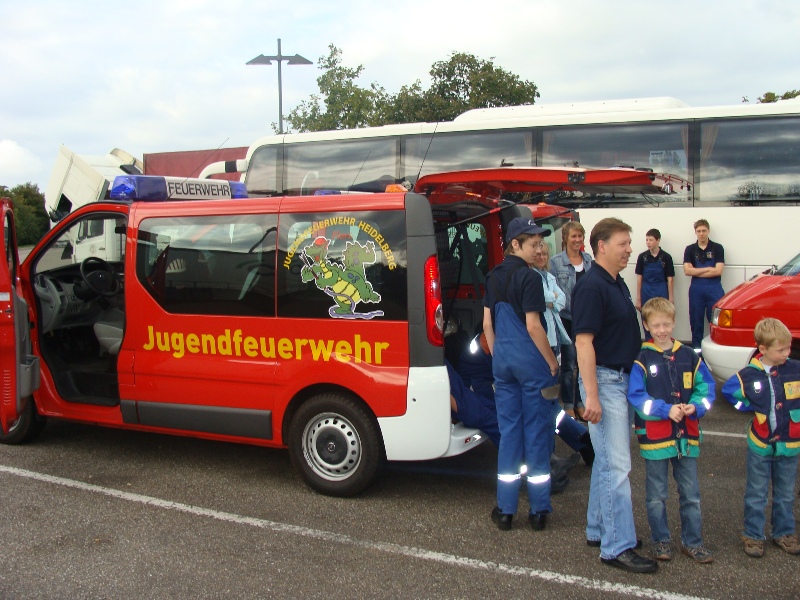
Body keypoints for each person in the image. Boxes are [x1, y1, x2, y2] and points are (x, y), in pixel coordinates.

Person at [572, 217, 658, 573]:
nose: (629, 250)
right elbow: (584, 343)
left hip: (619, 381)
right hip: (605, 383)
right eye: (623, 244)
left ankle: (599, 529)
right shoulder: (592, 287)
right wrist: (591, 396)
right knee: (618, 465)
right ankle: (617, 546)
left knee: (607, 462)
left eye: (629, 243)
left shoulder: (615, 281)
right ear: (602, 246)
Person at [483, 217, 560, 532]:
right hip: (531, 363)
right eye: (533, 243)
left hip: (503, 362)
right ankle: (539, 511)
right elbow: (533, 326)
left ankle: (505, 511)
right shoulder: (530, 277)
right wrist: (552, 362)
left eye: (540, 242)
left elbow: (487, 325)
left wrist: (498, 356)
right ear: (515, 244)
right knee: (537, 432)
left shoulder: (492, 276)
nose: (538, 248)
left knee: (510, 433)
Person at [627, 298, 715, 563]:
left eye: (666, 324)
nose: (662, 330)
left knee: (691, 495)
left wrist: (696, 406)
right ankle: (660, 540)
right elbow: (637, 396)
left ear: (674, 323)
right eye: (656, 325)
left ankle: (693, 542)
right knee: (656, 495)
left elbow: (707, 389)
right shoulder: (642, 358)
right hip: (655, 440)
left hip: (686, 439)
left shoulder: (689, 356)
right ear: (646, 325)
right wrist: (665, 410)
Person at [453, 331, 594, 468]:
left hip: (489, 384)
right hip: (478, 390)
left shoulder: (499, 335)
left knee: (547, 409)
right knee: (529, 411)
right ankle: (555, 456)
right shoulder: (490, 341)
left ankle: (579, 441)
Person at [722, 318, 800, 558]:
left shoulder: (795, 369)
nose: (787, 353)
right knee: (757, 493)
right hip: (760, 444)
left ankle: (784, 532)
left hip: (789, 443)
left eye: (788, 348)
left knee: (785, 493)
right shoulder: (748, 374)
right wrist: (748, 406)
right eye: (781, 349)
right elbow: (729, 392)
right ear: (763, 349)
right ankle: (753, 535)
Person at [550, 222, 593, 419]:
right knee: (568, 364)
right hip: (566, 318)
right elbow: (553, 293)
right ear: (565, 238)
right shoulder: (555, 262)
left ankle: (581, 401)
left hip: (585, 318)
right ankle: (568, 403)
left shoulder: (589, 260)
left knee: (584, 362)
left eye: (580, 236)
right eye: (574, 236)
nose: (577, 240)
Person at [683, 220, 724, 351]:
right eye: (699, 231)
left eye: (704, 231)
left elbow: (718, 271)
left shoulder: (717, 248)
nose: (701, 234)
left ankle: (715, 351)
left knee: (716, 322)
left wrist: (696, 271)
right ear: (695, 232)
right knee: (696, 322)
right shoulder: (690, 249)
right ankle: (697, 352)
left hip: (714, 289)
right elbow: (687, 271)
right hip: (696, 290)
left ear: (708, 231)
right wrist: (709, 269)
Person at [634, 229, 674, 338]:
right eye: (646, 240)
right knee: (647, 318)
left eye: (651, 240)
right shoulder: (642, 257)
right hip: (646, 291)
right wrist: (638, 298)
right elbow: (639, 278)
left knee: (662, 318)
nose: (648, 242)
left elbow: (670, 279)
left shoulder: (666, 257)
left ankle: (662, 342)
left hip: (661, 291)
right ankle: (649, 343)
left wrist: (671, 299)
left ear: (658, 240)